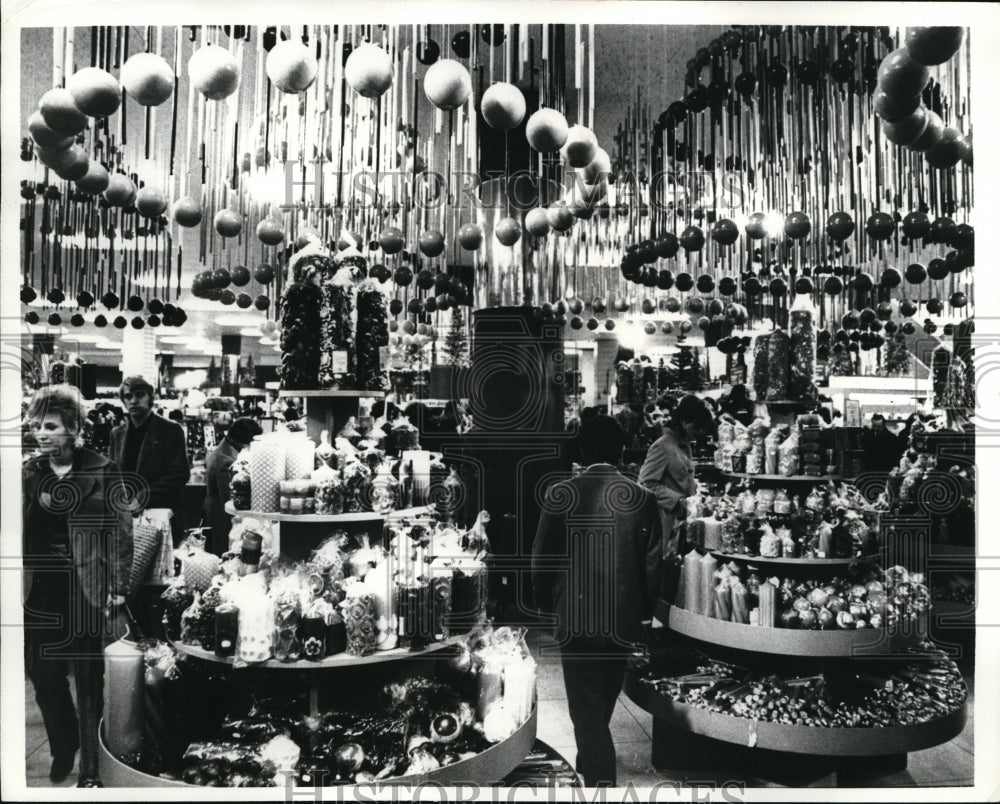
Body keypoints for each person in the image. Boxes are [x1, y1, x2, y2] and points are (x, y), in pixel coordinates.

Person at [532, 415, 662, 788]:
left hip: (575, 616)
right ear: (621, 451)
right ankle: (590, 760)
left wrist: (545, 604)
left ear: (583, 450)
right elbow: (652, 564)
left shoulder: (561, 493)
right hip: (622, 619)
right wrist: (645, 616)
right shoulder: (643, 498)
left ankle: (600, 781)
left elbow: (542, 558)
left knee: (587, 710)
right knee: (601, 701)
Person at [23, 385, 133, 787]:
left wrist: (119, 585)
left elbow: (122, 532)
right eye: (37, 425)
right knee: (43, 674)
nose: (41, 432)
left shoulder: (103, 469)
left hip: (87, 585)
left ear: (73, 428)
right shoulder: (30, 472)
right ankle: (63, 742)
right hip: (41, 590)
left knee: (89, 679)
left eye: (50, 425)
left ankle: (91, 766)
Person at [110, 376, 191, 546]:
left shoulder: (171, 430)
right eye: (128, 396)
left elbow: (180, 473)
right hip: (127, 517)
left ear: (150, 398)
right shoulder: (117, 433)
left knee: (164, 569)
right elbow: (113, 473)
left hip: (161, 515)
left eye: (139, 395)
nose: (133, 401)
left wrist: (143, 497)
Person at [638, 394, 714, 575]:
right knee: (661, 571)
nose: (699, 431)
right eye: (695, 426)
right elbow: (645, 483)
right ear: (683, 420)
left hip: (679, 521)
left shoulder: (684, 445)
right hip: (663, 520)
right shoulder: (663, 446)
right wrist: (678, 500)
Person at [203, 417, 263, 555]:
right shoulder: (226, 460)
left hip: (215, 507)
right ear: (239, 441)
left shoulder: (224, 450)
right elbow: (230, 497)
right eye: (249, 443)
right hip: (221, 514)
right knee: (225, 550)